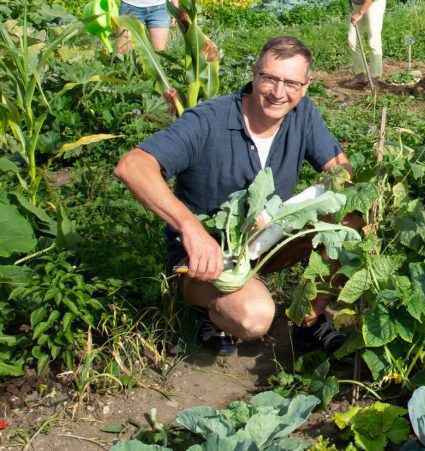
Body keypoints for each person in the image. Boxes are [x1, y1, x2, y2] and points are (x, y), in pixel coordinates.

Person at [114, 36, 352, 356]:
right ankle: (210, 310)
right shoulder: (208, 120)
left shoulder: (303, 115)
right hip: (207, 260)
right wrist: (192, 230)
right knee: (254, 316)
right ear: (254, 74)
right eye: (270, 78)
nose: (279, 92)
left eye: (291, 83)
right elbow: (132, 166)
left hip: (262, 244)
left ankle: (310, 320)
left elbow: (342, 172)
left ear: (306, 86)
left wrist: (322, 194)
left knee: (348, 214)